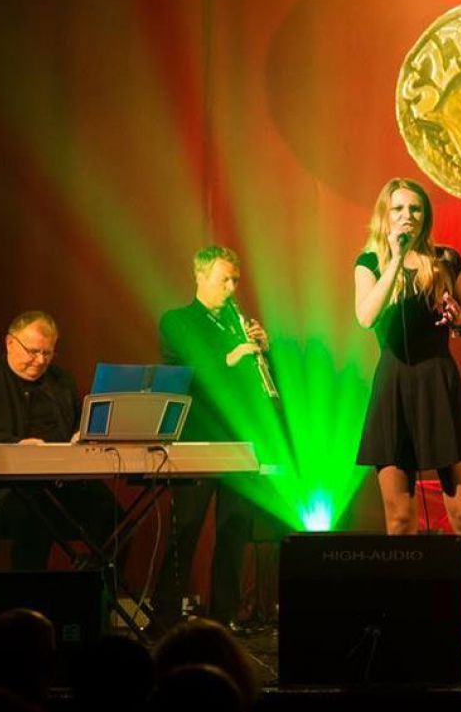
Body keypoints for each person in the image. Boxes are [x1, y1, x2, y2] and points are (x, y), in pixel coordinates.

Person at [354, 178, 461, 678]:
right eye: (399, 208)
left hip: (439, 385)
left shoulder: (447, 260)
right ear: (385, 214)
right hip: (394, 388)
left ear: (426, 216)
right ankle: (404, 634)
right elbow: (366, 316)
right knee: (399, 519)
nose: (408, 216)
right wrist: (397, 259)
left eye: (416, 209)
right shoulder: (370, 262)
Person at [153, 246, 273, 634]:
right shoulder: (178, 320)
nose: (232, 287)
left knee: (235, 527)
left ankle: (224, 614)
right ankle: (164, 614)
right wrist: (231, 357)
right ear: (200, 276)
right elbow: (190, 370)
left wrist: (263, 351)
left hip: (238, 437)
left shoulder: (237, 325)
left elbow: (254, 386)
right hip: (197, 436)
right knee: (186, 528)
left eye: (235, 280)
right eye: (224, 279)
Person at [0, 310, 111, 570]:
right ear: (9, 343)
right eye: (33, 351)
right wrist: (15, 445)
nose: (40, 361)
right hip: (9, 489)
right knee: (35, 515)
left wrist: (83, 436)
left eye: (47, 353)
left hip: (62, 484)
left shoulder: (61, 381)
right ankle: (29, 595)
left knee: (112, 516)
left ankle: (97, 588)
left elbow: (79, 422)